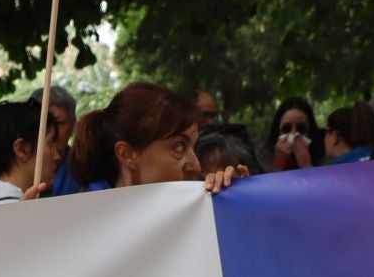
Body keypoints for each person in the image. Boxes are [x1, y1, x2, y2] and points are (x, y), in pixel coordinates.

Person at [68, 82, 248, 197]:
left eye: (193, 147)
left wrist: (236, 201)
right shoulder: (73, 227)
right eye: (179, 148)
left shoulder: (200, 207)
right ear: (127, 154)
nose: (196, 167)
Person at [29, 86, 84, 198]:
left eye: (59, 123)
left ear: (74, 126)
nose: (53, 132)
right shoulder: (17, 170)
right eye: (44, 124)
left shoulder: (86, 169)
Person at [266, 96, 321, 170]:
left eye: (301, 128)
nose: (294, 133)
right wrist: (279, 162)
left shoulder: (324, 156)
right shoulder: (263, 157)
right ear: (278, 130)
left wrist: (306, 165)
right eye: (287, 129)